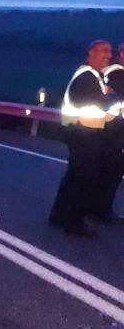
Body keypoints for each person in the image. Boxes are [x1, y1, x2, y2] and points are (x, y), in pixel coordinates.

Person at [50, 40, 116, 236]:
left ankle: (58, 215)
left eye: (109, 52)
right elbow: (102, 103)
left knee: (74, 177)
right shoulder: (87, 77)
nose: (108, 55)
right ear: (90, 53)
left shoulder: (93, 76)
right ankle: (74, 223)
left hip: (80, 133)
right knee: (85, 179)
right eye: (103, 51)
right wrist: (113, 96)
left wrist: (108, 96)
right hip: (83, 134)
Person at [95, 44, 124, 222]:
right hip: (114, 130)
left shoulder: (109, 72)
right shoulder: (118, 74)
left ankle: (97, 209)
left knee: (105, 171)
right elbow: (117, 100)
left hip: (106, 129)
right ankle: (102, 211)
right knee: (111, 172)